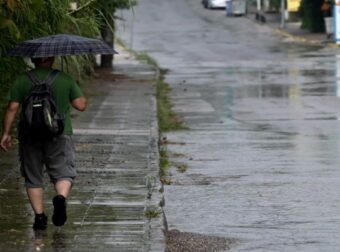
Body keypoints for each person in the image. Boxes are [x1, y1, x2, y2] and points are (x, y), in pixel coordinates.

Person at [0, 57, 87, 230]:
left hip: (30, 135)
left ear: (33, 59)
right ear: (52, 58)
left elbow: (12, 108)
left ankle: (39, 218)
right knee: (64, 173)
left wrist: (6, 133)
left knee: (33, 176)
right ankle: (60, 198)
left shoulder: (23, 79)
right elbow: (81, 105)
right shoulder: (64, 79)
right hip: (60, 133)